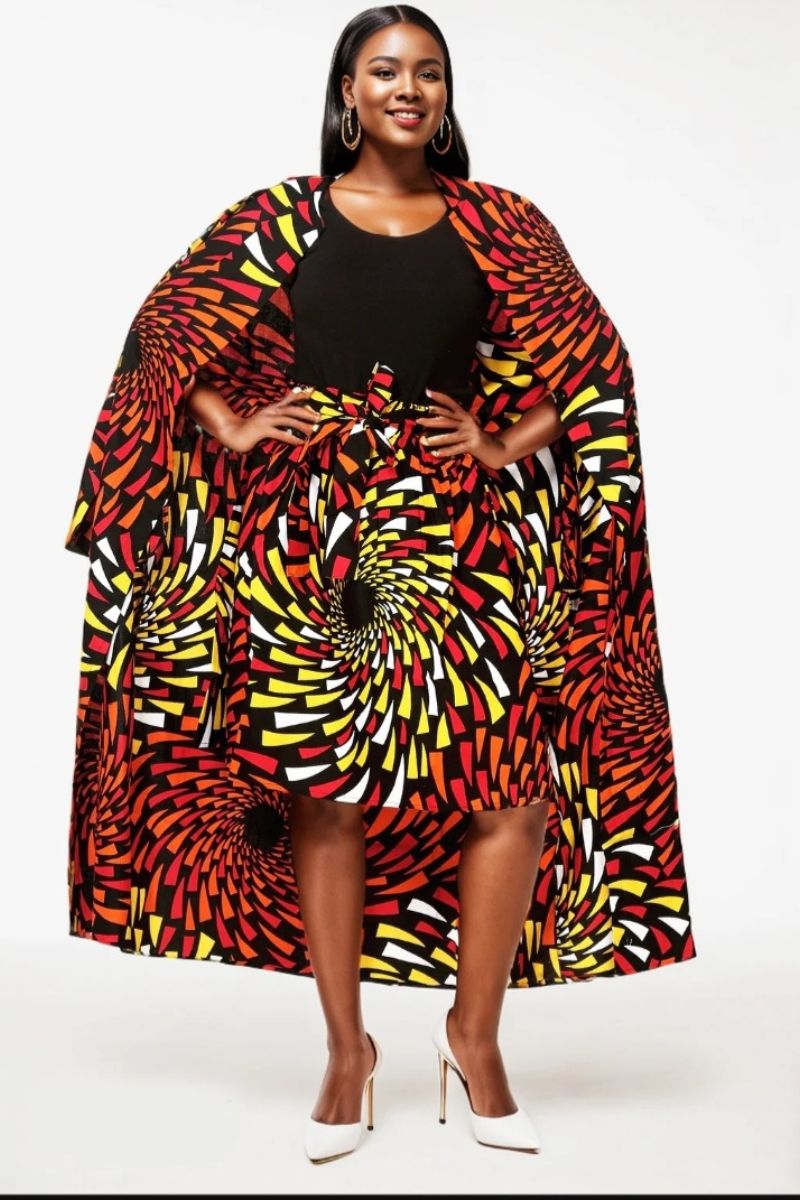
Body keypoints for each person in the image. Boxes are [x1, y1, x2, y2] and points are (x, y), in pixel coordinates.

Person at [64, 3, 696, 1167]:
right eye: (385, 70)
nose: (408, 88)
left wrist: (500, 444)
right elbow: (162, 335)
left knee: (509, 789)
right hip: (312, 545)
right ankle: (345, 1052)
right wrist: (232, 423)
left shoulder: (500, 222)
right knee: (328, 791)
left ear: (443, 99)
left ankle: (473, 1040)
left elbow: (594, 361)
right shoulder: (278, 217)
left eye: (428, 72)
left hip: (460, 538)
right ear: (347, 92)